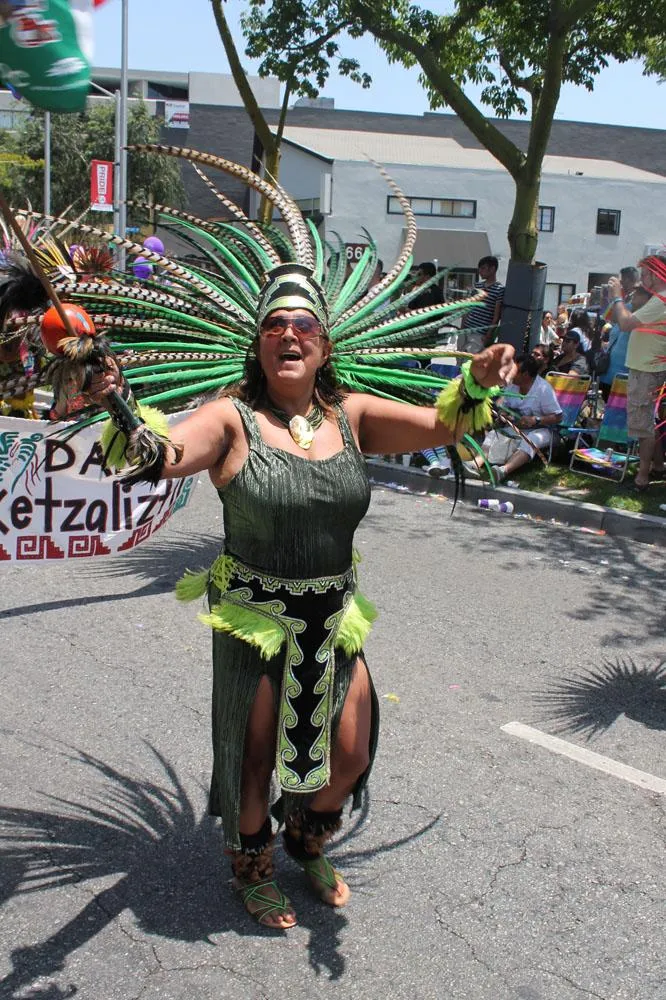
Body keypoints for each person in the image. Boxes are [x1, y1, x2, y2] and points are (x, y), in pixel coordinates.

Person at [57, 147, 517, 932]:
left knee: (351, 753)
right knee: (254, 755)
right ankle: (252, 863)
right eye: (275, 325)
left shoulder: (354, 415)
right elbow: (161, 456)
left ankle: (305, 834)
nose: (289, 334)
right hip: (256, 617)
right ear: (259, 345)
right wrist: (120, 403)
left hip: (333, 616)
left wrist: (475, 379)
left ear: (325, 344)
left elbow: (443, 422)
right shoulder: (231, 419)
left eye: (303, 324)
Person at [608, 254, 666, 491]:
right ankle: (658, 466)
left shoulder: (661, 300)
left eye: (645, 274)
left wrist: (617, 297)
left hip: (646, 370)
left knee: (643, 427)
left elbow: (625, 324)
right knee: (649, 423)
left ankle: (642, 478)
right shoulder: (659, 299)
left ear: (656, 274)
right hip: (649, 369)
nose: (641, 279)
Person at [463, 354, 562, 483]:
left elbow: (558, 417)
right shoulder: (512, 385)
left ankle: (504, 470)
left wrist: (536, 420)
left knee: (531, 439)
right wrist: (503, 414)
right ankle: (475, 464)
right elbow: (504, 406)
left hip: (546, 430)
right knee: (494, 434)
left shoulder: (543, 389)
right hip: (520, 427)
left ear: (526, 374)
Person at [458, 255, 504, 353]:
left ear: (492, 269)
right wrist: (462, 328)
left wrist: (488, 336)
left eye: (483, 268)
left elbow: (496, 316)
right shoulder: (477, 286)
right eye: (479, 268)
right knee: (459, 358)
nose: (480, 271)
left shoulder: (499, 289)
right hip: (466, 329)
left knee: (470, 360)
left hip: (479, 334)